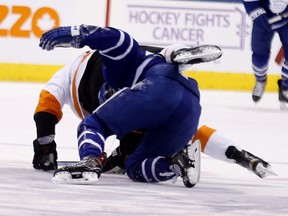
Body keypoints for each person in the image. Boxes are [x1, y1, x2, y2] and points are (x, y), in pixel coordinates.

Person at [36, 25, 274, 187]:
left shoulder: (88, 72)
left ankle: (89, 162)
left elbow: (46, 107)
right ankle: (177, 162)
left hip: (153, 86)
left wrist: (46, 147)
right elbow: (198, 135)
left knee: (94, 124)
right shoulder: (127, 69)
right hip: (188, 101)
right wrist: (238, 154)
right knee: (135, 168)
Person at [243, 0, 288, 107]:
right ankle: (260, 80)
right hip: (264, 20)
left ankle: (285, 86)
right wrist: (256, 12)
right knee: (259, 58)